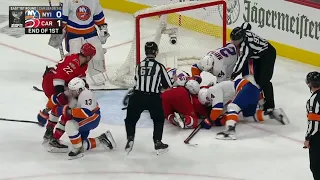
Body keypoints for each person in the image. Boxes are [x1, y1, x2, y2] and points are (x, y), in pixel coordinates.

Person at [37, 43, 96, 148]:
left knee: (60, 106)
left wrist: (84, 85)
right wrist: (59, 93)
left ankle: (49, 132)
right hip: (51, 81)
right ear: (88, 56)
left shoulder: (82, 63)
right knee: (65, 107)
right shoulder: (73, 63)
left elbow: (80, 75)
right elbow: (59, 77)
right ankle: (52, 134)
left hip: (55, 80)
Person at [197, 78, 289, 139]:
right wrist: (215, 122)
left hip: (247, 88)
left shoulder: (212, 90)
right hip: (253, 92)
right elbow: (225, 117)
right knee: (248, 116)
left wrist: (209, 120)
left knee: (232, 107)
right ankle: (272, 114)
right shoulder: (221, 98)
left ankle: (230, 131)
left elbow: (217, 110)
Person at [124, 41, 173, 155]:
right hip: (153, 98)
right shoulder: (159, 66)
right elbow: (167, 86)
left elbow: (138, 80)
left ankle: (130, 137)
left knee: (130, 119)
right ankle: (157, 142)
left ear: (145, 52)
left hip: (137, 96)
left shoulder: (139, 65)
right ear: (156, 52)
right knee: (158, 120)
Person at [51, 77, 116, 159]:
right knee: (81, 143)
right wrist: (48, 109)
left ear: (79, 89)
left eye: (72, 90)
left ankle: (78, 149)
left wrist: (68, 111)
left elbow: (86, 113)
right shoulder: (76, 93)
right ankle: (102, 139)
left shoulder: (86, 94)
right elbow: (58, 98)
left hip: (92, 118)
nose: (70, 92)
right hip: (85, 118)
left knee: (70, 125)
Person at [48, 0, 110, 85]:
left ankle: (101, 80)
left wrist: (103, 30)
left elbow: (98, 16)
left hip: (91, 34)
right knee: (76, 60)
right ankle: (74, 82)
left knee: (98, 55)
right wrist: (58, 32)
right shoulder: (67, 1)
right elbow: (63, 19)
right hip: (74, 36)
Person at [229, 22, 276, 114]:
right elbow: (246, 25)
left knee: (264, 81)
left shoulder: (246, 47)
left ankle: (270, 105)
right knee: (257, 80)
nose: (233, 42)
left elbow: (241, 62)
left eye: (235, 41)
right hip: (259, 55)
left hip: (267, 55)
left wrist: (233, 74)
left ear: (241, 39)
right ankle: (261, 100)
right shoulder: (243, 32)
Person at [304, 71, 320, 180]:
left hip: (318, 137)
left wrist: (308, 137)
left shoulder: (314, 100)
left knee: (316, 167)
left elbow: (314, 123)